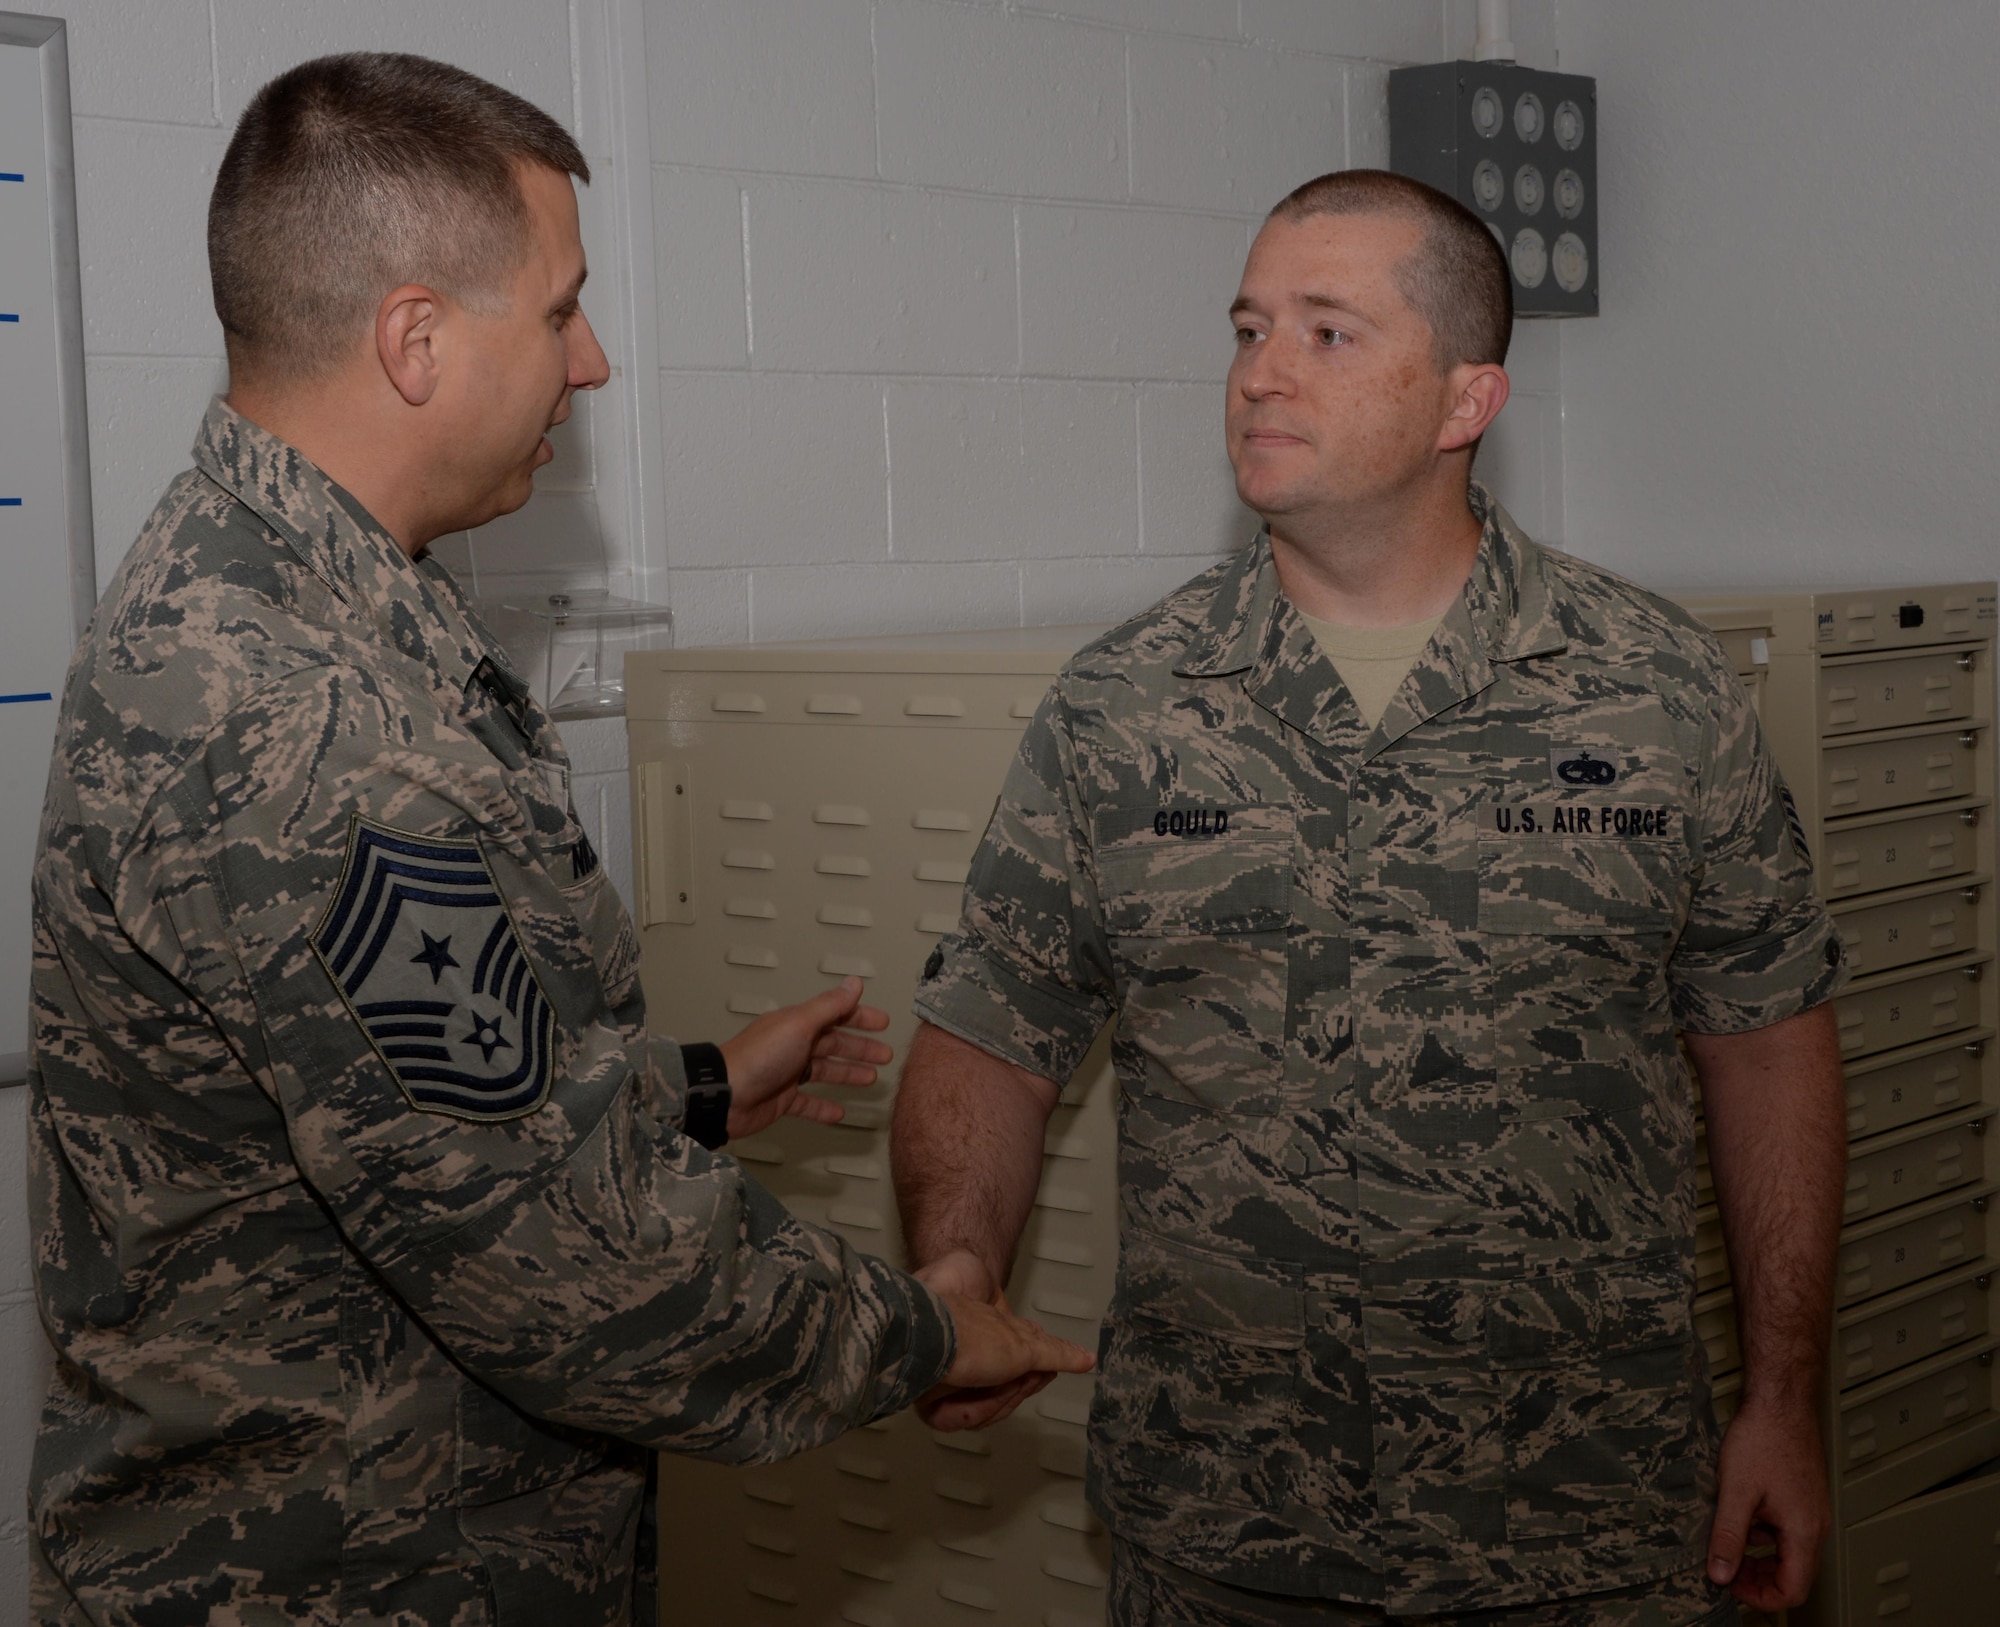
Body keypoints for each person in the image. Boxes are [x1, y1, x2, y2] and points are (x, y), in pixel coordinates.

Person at [27, 52, 1090, 1626]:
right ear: (414, 339)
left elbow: (381, 1088)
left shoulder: (267, 588)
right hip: (355, 1579)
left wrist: (699, 1086)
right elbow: (584, 1269)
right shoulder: (308, 726)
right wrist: (927, 1333)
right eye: (560, 308)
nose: (589, 363)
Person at [894, 169, 1847, 1627]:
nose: (1261, 371)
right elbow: (993, 1030)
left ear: (1467, 400)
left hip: (1582, 1525)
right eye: (1248, 327)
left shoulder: (1658, 689)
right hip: (1225, 1527)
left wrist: (1785, 1399)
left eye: (1329, 333)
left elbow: (1768, 1042)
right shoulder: (1121, 708)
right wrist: (957, 1267)